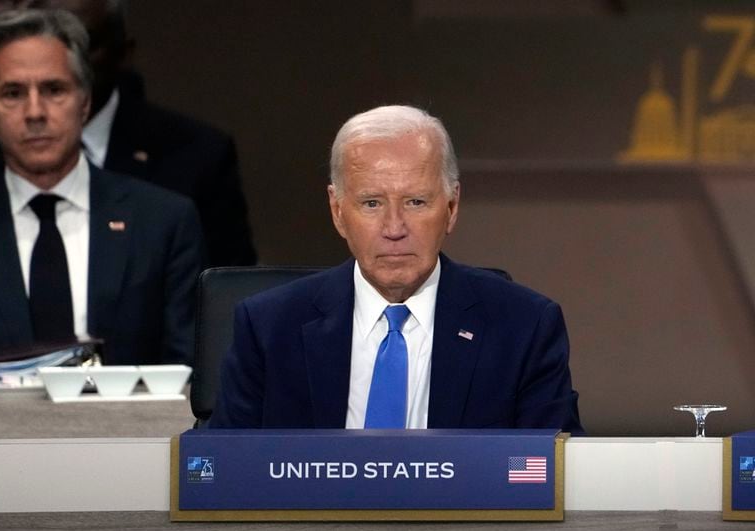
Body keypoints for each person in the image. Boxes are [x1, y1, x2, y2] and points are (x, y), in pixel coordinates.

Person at [208, 105, 584, 433]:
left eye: (416, 202)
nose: (394, 228)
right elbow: (225, 472)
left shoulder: (524, 327)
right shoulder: (269, 328)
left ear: (451, 208)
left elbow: (550, 474)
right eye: (371, 203)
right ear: (338, 212)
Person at [0, 8, 204, 365]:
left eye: (54, 89)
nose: (35, 112)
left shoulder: (163, 222)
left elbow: (191, 375)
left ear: (84, 102)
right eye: (12, 93)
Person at [0, 0, 257, 266]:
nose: (35, 111)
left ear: (123, 52)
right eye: (12, 93)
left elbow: (223, 302)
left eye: (85, 45)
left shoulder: (193, 163)